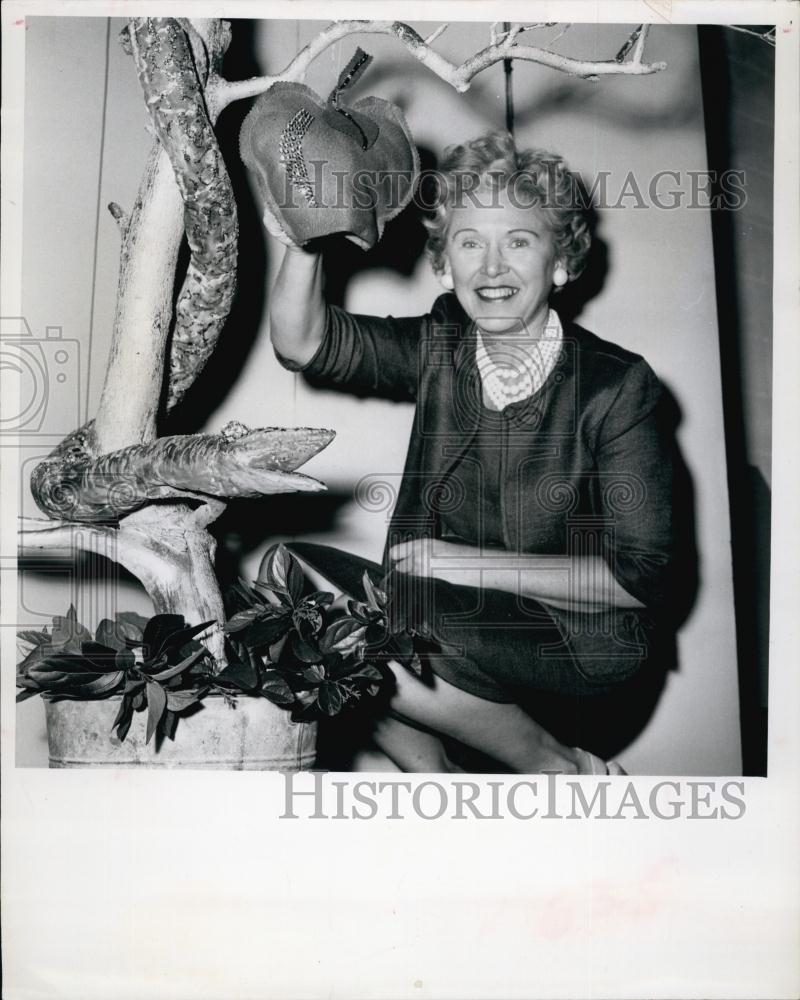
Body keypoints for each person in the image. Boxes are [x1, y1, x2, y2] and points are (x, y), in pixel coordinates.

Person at [266, 131, 674, 775]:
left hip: (582, 640)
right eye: (469, 242)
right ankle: (435, 783)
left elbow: (642, 578)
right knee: (288, 587)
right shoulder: (442, 344)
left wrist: (464, 565)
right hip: (441, 615)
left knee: (396, 610)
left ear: (561, 262)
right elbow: (302, 341)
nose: (491, 268)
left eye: (518, 240)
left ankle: (556, 765)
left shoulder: (616, 385)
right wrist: (305, 235)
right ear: (444, 265)